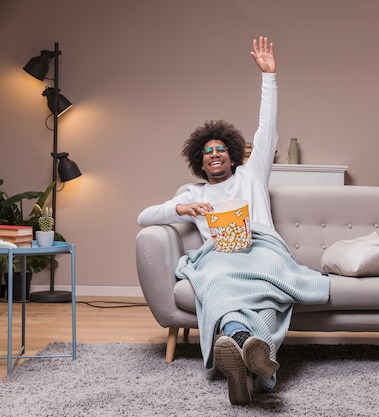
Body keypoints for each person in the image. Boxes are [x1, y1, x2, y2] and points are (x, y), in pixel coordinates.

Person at [137, 37, 330, 406]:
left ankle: (241, 353)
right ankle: (250, 356)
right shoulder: (192, 194)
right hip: (220, 255)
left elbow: (267, 128)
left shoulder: (252, 176)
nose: (214, 155)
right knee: (217, 278)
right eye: (207, 151)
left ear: (232, 154)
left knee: (270, 294)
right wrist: (179, 210)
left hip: (262, 248)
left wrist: (269, 78)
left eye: (220, 149)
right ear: (199, 159)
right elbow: (143, 217)